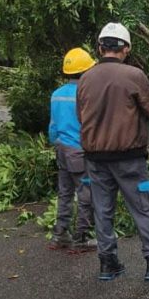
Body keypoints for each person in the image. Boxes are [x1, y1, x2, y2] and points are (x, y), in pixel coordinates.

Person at [77, 22, 149, 281]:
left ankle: (108, 263)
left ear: (99, 47)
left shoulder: (85, 78)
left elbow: (80, 116)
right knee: (142, 209)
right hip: (129, 158)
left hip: (95, 159)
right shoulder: (134, 75)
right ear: (126, 48)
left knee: (102, 211)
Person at [49, 48, 97, 249]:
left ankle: (60, 233)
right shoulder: (87, 94)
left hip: (61, 150)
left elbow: (52, 126)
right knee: (86, 194)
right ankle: (81, 238)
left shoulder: (57, 94)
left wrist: (57, 142)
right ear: (85, 71)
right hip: (79, 152)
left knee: (65, 193)